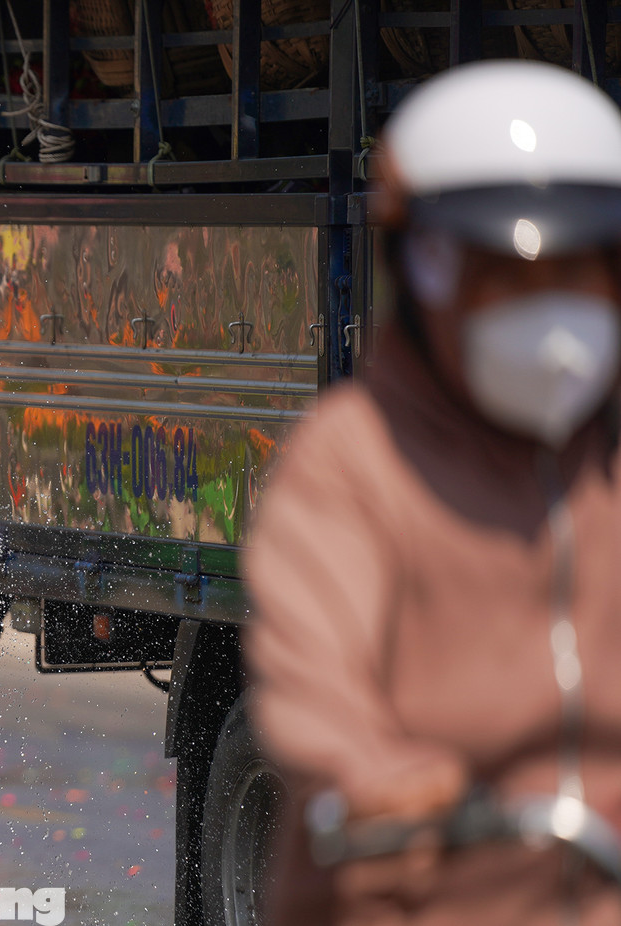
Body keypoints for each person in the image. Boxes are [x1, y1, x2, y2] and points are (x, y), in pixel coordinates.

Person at [245, 60, 621, 925]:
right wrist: (367, 771)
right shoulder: (356, 459)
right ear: (421, 274)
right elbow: (312, 662)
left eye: (580, 272)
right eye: (507, 276)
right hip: (411, 897)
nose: (553, 316)